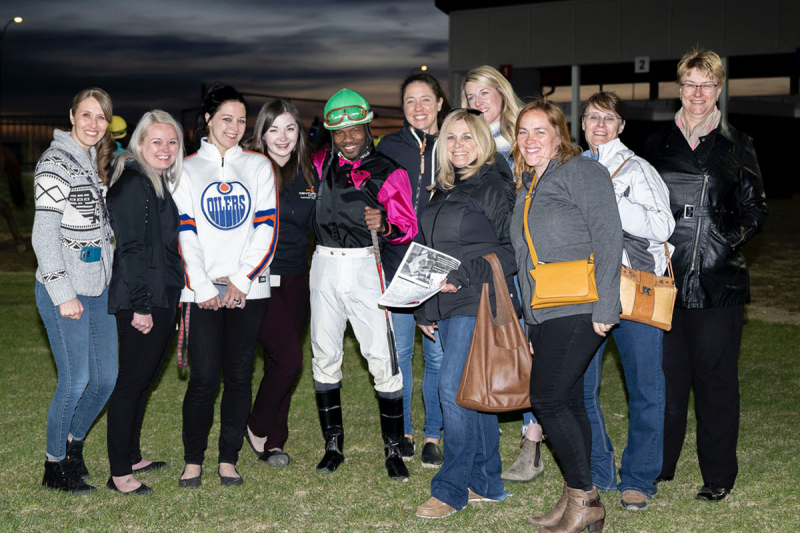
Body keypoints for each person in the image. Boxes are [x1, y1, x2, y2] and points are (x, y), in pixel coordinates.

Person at [644, 49, 767, 502]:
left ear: (718, 90)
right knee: (666, 379)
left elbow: (757, 207)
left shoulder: (739, 144)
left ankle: (718, 475)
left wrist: (723, 237)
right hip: (665, 278)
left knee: (716, 383)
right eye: (690, 84)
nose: (698, 94)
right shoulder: (656, 142)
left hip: (719, 282)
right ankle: (660, 465)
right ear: (680, 88)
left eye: (707, 85)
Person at [510, 97, 622, 532]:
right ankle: (578, 494)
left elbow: (609, 237)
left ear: (559, 136)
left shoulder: (582, 172)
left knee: (548, 398)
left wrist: (606, 307)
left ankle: (586, 499)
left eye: (541, 130)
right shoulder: (527, 185)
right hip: (546, 309)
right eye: (524, 132)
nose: (531, 139)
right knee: (570, 399)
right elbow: (523, 256)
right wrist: (530, 318)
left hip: (581, 303)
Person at [414, 108, 517, 519]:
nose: (458, 145)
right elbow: (429, 253)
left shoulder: (494, 185)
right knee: (472, 392)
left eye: (467, 137)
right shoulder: (442, 187)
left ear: (483, 142)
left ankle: (451, 489)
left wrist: (464, 272)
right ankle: (486, 482)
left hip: (478, 298)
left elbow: (513, 250)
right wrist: (423, 306)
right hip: (445, 300)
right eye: (451, 137)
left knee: (453, 392)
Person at [173, 84, 278, 488]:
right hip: (200, 292)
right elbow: (186, 232)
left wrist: (240, 280)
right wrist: (203, 286)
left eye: (240, 120)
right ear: (208, 119)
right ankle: (193, 461)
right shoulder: (186, 167)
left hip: (246, 291)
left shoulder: (257, 165)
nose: (234, 127)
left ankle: (228, 459)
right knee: (203, 378)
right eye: (225, 119)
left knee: (238, 376)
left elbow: (266, 227)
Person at [310, 88, 417, 481]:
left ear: (366, 126)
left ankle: (393, 450)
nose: (348, 138)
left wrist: (384, 224)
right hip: (322, 264)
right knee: (324, 353)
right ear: (331, 135)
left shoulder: (389, 170)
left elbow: (408, 228)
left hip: (364, 267)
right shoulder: (319, 163)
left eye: (354, 130)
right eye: (339, 133)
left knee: (382, 358)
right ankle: (333, 446)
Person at [579, 91, 675, 511]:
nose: (599, 124)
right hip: (583, 289)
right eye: (591, 117)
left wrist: (610, 200)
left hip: (632, 287)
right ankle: (600, 469)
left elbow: (662, 225)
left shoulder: (638, 169)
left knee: (646, 387)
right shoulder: (573, 168)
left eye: (608, 118)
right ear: (581, 124)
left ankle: (638, 479)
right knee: (579, 388)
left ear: (620, 126)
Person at [463, 64, 546, 483]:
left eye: (484, 93)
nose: (477, 102)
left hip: (527, 259)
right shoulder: (467, 144)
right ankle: (487, 435)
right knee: (496, 342)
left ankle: (533, 440)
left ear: (501, 94)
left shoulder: (523, 139)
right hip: (493, 260)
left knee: (526, 343)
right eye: (470, 95)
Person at [33, 87, 118, 494]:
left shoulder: (91, 161)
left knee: (106, 378)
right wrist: (61, 291)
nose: (94, 124)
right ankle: (54, 466)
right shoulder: (55, 162)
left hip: (97, 288)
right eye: (87, 115)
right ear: (71, 116)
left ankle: (73, 446)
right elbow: (44, 234)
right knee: (75, 380)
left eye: (101, 117)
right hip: (65, 290)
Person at [104, 110, 185, 495]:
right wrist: (140, 305)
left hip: (161, 294)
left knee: (142, 383)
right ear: (139, 143)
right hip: (142, 299)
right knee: (130, 383)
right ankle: (120, 472)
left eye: (172, 142)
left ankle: (132, 455)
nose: (165, 149)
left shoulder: (153, 182)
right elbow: (132, 249)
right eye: (157, 141)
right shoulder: (132, 184)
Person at [376, 73, 450, 467]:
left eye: (425, 99)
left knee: (437, 356)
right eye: (409, 101)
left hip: (437, 266)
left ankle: (432, 434)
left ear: (440, 102)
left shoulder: (455, 141)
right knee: (401, 351)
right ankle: (402, 429)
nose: (418, 108)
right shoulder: (389, 146)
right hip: (397, 262)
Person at [244, 99, 316, 467]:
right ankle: (256, 426)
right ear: (262, 133)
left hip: (298, 278)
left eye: (289, 128)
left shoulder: (309, 173)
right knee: (290, 359)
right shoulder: (250, 168)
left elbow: (320, 225)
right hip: (259, 280)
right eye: (274, 129)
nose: (283, 137)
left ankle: (275, 439)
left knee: (279, 361)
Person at [462, 65, 524, 169]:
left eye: (484, 93)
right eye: (472, 97)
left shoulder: (523, 132)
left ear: (502, 92)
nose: (478, 103)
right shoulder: (463, 139)